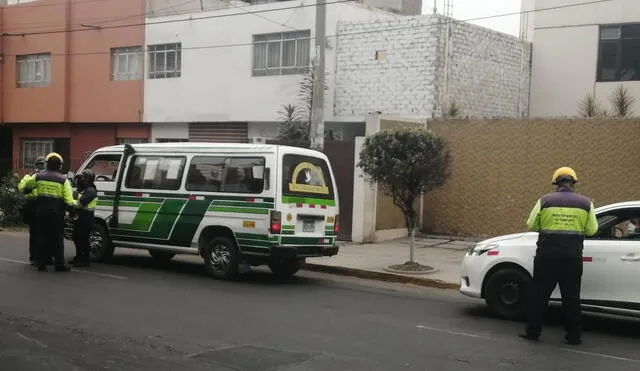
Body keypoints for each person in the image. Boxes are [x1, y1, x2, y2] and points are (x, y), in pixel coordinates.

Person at [519, 167, 598, 345]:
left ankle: (533, 332)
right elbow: (592, 230)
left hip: (546, 257)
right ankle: (573, 336)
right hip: (572, 258)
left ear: (555, 183)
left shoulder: (545, 200)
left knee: (540, 295)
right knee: (571, 297)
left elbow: (531, 224)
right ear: (574, 182)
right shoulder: (586, 203)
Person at [23, 152, 75, 272]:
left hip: (41, 212)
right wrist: (72, 213)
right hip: (57, 214)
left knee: (41, 237)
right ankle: (59, 265)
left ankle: (41, 264)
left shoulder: (38, 176)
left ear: (47, 164)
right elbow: (69, 200)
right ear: (60, 166)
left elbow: (27, 188)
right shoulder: (63, 180)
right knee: (57, 239)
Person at [17, 156, 47, 265]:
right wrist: (33, 177)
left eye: (43, 164)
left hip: (43, 204)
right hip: (32, 204)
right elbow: (21, 187)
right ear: (36, 165)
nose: (42, 166)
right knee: (34, 232)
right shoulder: (30, 176)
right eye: (40, 164)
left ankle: (45, 257)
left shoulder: (47, 176)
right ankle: (34, 257)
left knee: (44, 232)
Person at [69, 169, 98, 267]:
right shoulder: (84, 189)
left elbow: (79, 204)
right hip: (80, 217)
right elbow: (75, 197)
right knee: (76, 237)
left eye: (83, 178)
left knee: (83, 239)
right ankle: (79, 257)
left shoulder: (91, 191)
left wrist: (70, 203)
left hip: (86, 218)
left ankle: (85, 260)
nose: (81, 180)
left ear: (88, 179)